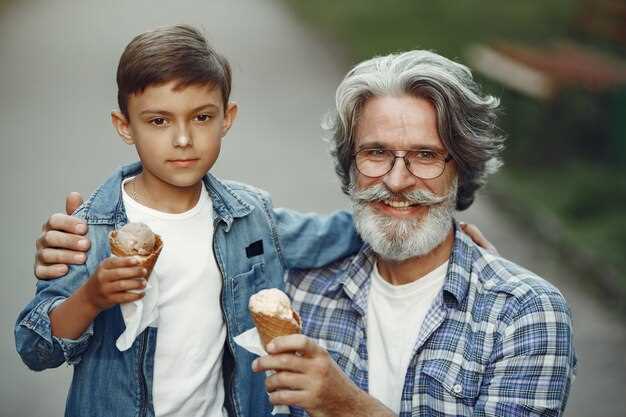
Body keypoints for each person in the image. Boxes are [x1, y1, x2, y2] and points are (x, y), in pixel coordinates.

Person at [15, 25, 366, 417]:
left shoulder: (251, 216)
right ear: (124, 126)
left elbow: (331, 235)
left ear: (227, 118)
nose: (183, 139)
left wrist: (422, 218)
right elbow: (35, 348)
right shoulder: (90, 230)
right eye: (159, 121)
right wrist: (92, 297)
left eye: (201, 117)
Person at [251, 51, 577, 417]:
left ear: (463, 169)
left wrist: (345, 406)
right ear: (350, 164)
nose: (396, 181)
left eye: (425, 155)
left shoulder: (523, 313)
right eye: (376, 152)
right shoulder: (299, 291)